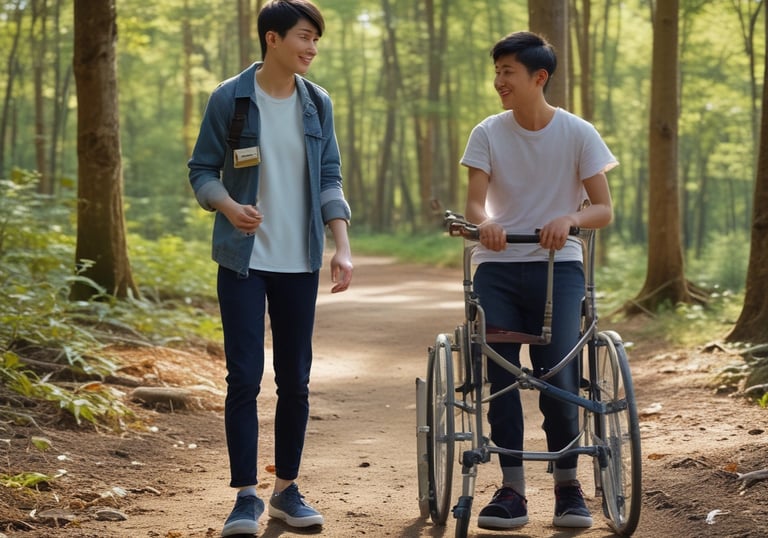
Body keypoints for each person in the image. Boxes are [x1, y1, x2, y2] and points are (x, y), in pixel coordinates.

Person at [187, 1, 353, 536]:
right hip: (243, 261)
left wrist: (341, 246)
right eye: (305, 37)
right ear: (272, 39)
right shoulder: (229, 98)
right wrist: (229, 207)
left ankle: (286, 491)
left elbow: (330, 175)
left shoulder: (316, 103)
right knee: (243, 378)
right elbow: (201, 171)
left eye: (316, 40)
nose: (312, 48)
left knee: (295, 381)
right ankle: (245, 497)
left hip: (299, 260)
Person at [460, 31, 616, 530]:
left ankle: (568, 487)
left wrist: (570, 218)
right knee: (501, 378)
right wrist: (485, 222)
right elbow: (473, 205)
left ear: (538, 77)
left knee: (558, 375)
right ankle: (512, 490)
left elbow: (605, 210)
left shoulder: (578, 133)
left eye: (508, 71)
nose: (499, 80)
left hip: (560, 268)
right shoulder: (487, 132)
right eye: (497, 71)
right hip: (498, 268)